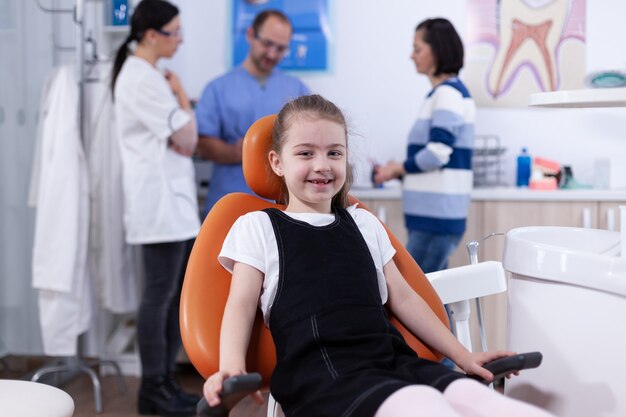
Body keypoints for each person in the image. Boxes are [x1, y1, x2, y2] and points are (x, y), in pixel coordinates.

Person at [202, 94, 555, 417]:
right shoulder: (257, 226)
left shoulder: (363, 222)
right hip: (322, 377)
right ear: (277, 162)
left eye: (334, 153)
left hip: (393, 362)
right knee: (426, 406)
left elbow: (403, 297)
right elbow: (241, 304)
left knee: (485, 402)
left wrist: (464, 357)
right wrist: (230, 368)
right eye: (306, 153)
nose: (322, 165)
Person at [111, 1, 200, 415]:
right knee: (159, 297)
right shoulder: (142, 78)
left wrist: (179, 118)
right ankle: (154, 389)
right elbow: (188, 138)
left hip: (171, 205)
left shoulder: (148, 76)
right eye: (174, 32)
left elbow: (182, 138)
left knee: (169, 295)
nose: (180, 40)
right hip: (158, 205)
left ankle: (165, 383)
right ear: (151, 35)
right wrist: (182, 95)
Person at [375, 18, 475, 275]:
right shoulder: (442, 95)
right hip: (433, 218)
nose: (411, 56)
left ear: (437, 51)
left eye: (417, 49)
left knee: (420, 298)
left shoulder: (447, 95)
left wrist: (399, 168)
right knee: (434, 298)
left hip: (436, 220)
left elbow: (438, 152)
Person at [195, 9, 310, 217]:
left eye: (281, 48)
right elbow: (202, 143)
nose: (272, 54)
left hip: (284, 207)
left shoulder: (297, 90)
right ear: (250, 35)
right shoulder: (218, 88)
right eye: (267, 44)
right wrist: (236, 153)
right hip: (229, 203)